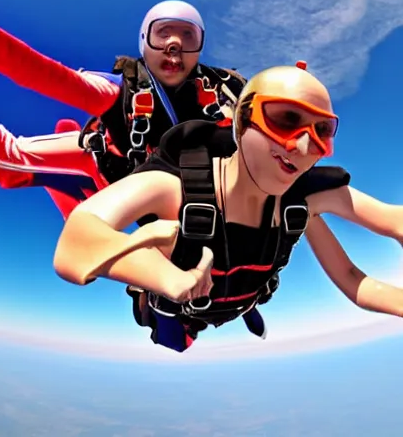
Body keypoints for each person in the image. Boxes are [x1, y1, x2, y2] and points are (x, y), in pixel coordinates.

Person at [52, 63, 403, 353]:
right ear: (241, 122)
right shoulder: (175, 188)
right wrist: (166, 278)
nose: (302, 145)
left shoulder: (305, 199)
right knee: (173, 339)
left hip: (242, 295)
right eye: (284, 119)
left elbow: (360, 272)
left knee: (233, 283)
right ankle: (84, 189)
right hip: (182, 309)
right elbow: (73, 247)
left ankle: (242, 302)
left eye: (322, 130)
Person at [0, 0, 247, 219]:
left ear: (199, 49)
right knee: (11, 164)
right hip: (101, 172)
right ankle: (77, 201)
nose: (174, 44)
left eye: (188, 36)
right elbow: (52, 77)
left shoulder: (225, 95)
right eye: (162, 33)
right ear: (144, 42)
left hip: (171, 203)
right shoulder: (123, 90)